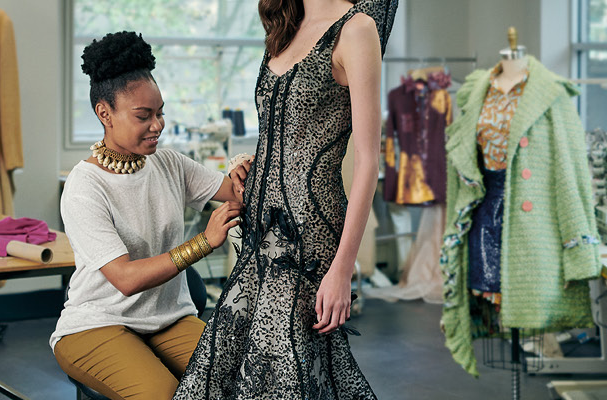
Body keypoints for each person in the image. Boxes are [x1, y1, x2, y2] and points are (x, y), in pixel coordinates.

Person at [176, 0, 396, 398]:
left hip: (310, 230)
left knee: (281, 369)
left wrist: (343, 269)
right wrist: (248, 162)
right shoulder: (283, 25)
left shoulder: (357, 28)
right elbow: (284, 136)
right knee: (222, 361)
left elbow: (367, 161)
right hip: (258, 233)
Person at [50, 32, 253, 400]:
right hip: (97, 324)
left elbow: (235, 191)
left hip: (168, 319)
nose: (157, 124)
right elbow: (125, 279)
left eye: (160, 113)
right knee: (165, 395)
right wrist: (203, 243)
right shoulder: (85, 186)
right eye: (144, 116)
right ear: (104, 114)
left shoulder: (169, 163)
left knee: (240, 380)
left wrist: (245, 170)